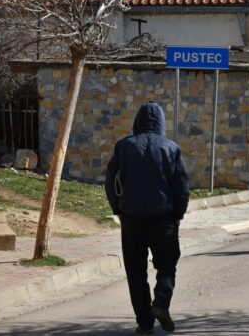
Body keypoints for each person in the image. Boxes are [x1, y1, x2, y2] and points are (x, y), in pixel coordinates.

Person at [105, 102, 190, 334]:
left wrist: (117, 208)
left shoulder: (123, 146)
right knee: (167, 265)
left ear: (137, 121)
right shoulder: (171, 148)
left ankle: (144, 324)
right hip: (164, 218)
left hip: (132, 219)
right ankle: (161, 303)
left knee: (136, 271)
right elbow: (181, 185)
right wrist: (179, 213)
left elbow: (111, 181)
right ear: (161, 122)